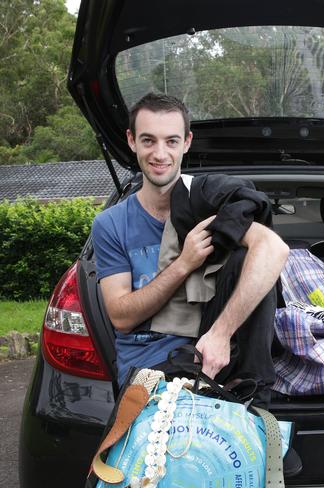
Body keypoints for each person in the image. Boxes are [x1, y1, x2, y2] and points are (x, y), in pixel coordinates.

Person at [91, 93, 289, 397]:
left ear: (186, 142)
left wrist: (220, 334)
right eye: (148, 141)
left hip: (217, 359)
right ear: (131, 141)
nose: (160, 154)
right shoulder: (111, 224)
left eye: (171, 141)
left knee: (245, 258)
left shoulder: (208, 200)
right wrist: (184, 263)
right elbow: (121, 317)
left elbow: (274, 249)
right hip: (147, 370)